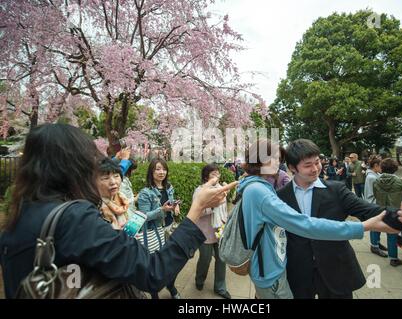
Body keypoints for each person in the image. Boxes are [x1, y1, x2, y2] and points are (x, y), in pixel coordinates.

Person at [0, 123, 237, 299]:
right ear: (75, 165)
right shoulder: (75, 219)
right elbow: (153, 272)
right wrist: (197, 209)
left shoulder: (19, 218)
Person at [239, 138, 402, 299]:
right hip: (297, 272)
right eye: (307, 165)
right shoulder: (279, 197)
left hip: (337, 270)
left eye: (317, 162)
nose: (315, 169)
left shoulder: (337, 190)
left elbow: (371, 210)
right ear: (291, 168)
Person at [137, 158, 182, 299]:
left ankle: (171, 286)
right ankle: (154, 294)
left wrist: (176, 206)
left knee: (171, 263)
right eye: (157, 169)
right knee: (155, 266)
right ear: (151, 171)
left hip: (169, 228)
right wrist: (161, 210)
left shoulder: (169, 187)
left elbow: (171, 202)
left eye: (163, 169)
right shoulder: (146, 193)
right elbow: (143, 216)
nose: (161, 172)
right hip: (155, 232)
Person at [373, 158, 402, 275]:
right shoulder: (401, 183)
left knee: (391, 235)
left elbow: (375, 195)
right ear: (395, 168)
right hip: (401, 212)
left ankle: (393, 259)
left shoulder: (376, 181)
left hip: (386, 212)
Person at [193, 164, 231, 299]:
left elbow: (224, 209)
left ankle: (220, 287)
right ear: (205, 177)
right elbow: (197, 212)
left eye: (217, 173)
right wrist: (212, 206)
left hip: (220, 230)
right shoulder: (200, 191)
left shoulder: (221, 189)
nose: (217, 176)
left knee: (222, 259)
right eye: (213, 174)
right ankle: (199, 279)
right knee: (205, 258)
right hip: (205, 232)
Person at [363, 157, 388, 258]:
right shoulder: (371, 177)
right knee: (374, 226)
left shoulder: (375, 174)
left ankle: (377, 242)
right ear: (376, 166)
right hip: (373, 204)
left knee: (378, 225)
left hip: (376, 203)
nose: (382, 168)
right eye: (381, 166)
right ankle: (374, 246)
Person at [97, 157, 129, 230]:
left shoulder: (122, 198)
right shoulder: (95, 208)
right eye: (106, 178)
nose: (113, 182)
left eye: (116, 176)